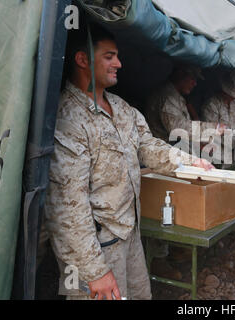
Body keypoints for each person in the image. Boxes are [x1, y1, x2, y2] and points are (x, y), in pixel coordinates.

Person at [44, 24, 213, 300]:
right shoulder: (68, 117)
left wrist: (192, 162)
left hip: (129, 233)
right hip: (96, 246)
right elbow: (65, 205)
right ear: (82, 59)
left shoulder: (122, 108)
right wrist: (93, 270)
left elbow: (148, 146)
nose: (119, 64)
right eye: (109, 56)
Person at [143, 64, 225, 143]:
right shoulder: (167, 97)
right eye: (192, 78)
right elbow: (178, 129)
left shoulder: (176, 95)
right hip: (163, 147)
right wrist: (212, 128)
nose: (195, 83)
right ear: (179, 74)